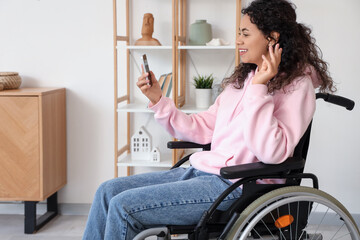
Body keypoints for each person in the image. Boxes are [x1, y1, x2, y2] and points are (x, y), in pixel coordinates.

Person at [83, 0, 335, 239]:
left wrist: (260, 88)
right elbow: (204, 127)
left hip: (239, 186)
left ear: (273, 38)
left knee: (123, 206)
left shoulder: (296, 87)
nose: (238, 40)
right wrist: (159, 100)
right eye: (239, 33)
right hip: (203, 173)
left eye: (245, 34)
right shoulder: (245, 79)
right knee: (107, 192)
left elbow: (272, 153)